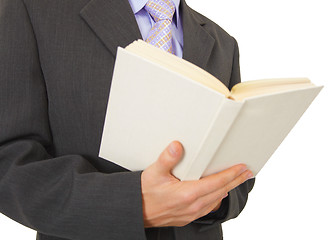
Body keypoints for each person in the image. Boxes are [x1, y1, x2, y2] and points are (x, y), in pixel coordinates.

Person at [0, 0, 255, 239]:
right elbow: (9, 160)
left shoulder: (223, 43)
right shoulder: (33, 9)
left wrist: (215, 199)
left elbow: (240, 176)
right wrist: (133, 202)